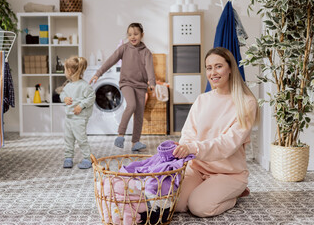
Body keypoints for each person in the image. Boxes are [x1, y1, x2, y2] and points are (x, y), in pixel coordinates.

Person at [173, 47, 260, 217]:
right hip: (198, 167)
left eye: (218, 66)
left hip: (229, 173)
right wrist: (183, 148)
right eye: (209, 67)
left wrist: (193, 149)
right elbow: (189, 133)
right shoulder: (202, 100)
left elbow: (228, 144)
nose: (213, 72)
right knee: (175, 204)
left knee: (198, 207)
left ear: (230, 69)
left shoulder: (246, 103)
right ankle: (206, 189)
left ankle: (234, 194)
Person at [89, 23, 155, 151]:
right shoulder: (124, 48)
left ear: (142, 35)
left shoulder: (146, 52)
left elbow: (149, 68)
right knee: (131, 105)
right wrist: (98, 73)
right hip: (127, 83)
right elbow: (110, 61)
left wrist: (152, 83)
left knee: (139, 114)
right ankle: (120, 135)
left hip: (141, 85)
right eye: (130, 34)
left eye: (135, 34)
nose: (132, 37)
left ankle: (135, 142)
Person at [60, 56, 95, 169]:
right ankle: (68, 157)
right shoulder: (68, 85)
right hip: (69, 117)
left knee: (81, 139)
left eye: (65, 69)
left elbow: (91, 97)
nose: (64, 72)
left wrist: (81, 105)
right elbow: (62, 94)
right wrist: (64, 98)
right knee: (68, 138)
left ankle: (87, 158)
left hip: (79, 118)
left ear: (70, 71)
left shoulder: (84, 86)